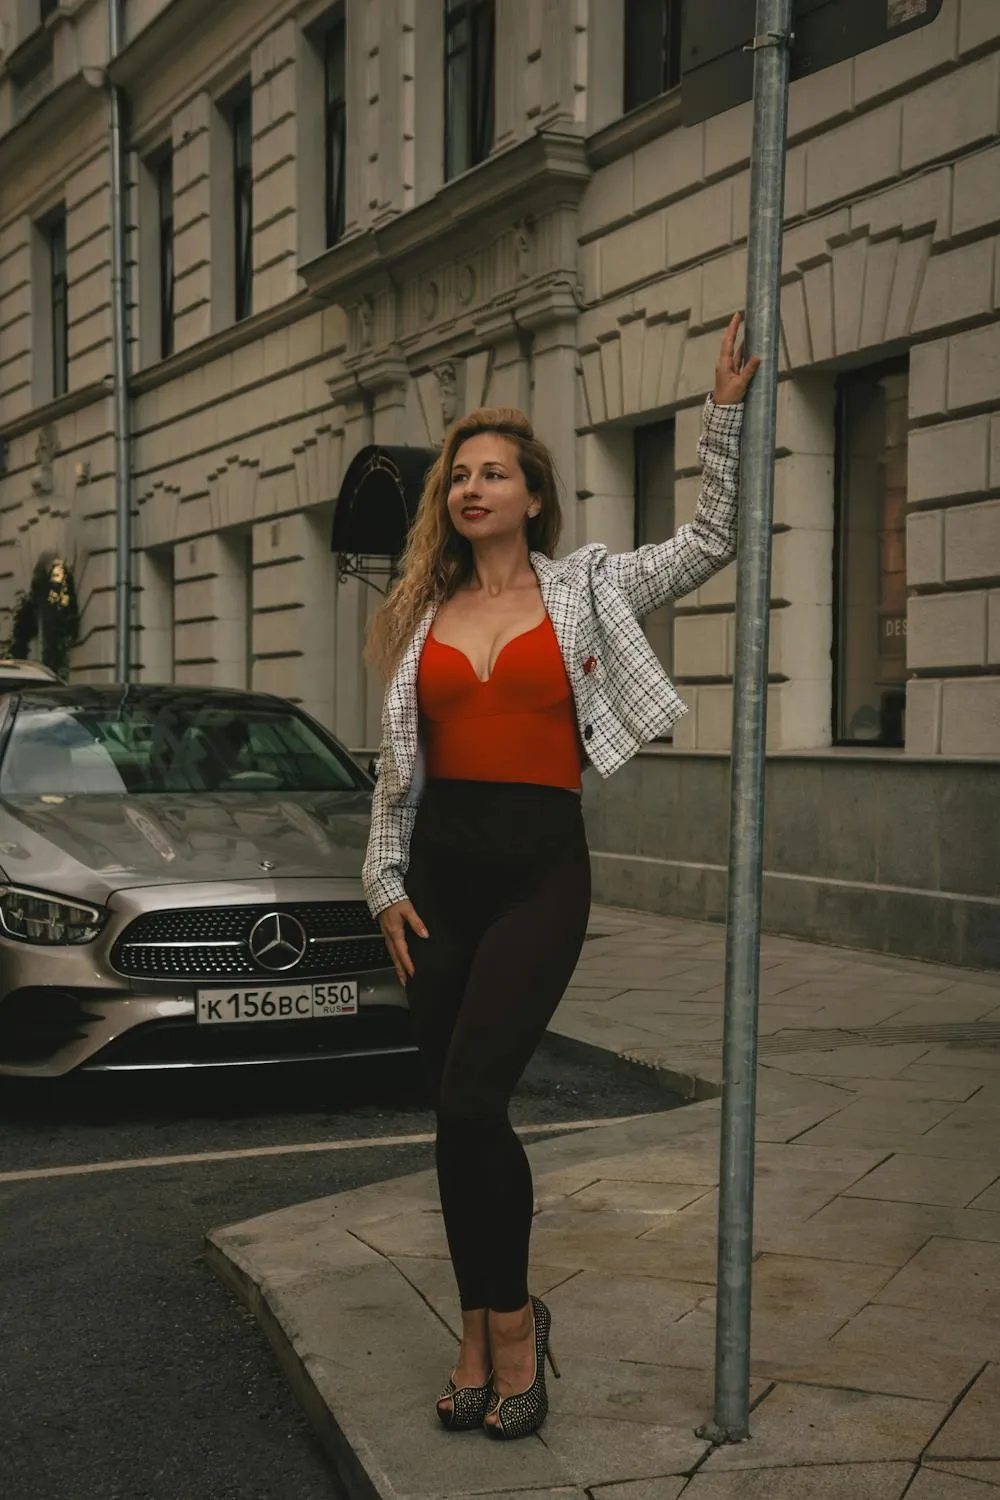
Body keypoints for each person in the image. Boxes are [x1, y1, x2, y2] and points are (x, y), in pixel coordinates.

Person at [361, 314, 759, 1440]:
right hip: (438, 876)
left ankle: (521, 1330)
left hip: (540, 871)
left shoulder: (583, 589)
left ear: (533, 496)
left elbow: (712, 539)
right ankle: (478, 1329)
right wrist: (384, 883)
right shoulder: (420, 614)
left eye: (494, 473)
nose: (472, 487)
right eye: (459, 476)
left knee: (477, 1096)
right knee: (453, 1116)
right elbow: (394, 777)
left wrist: (721, 413)